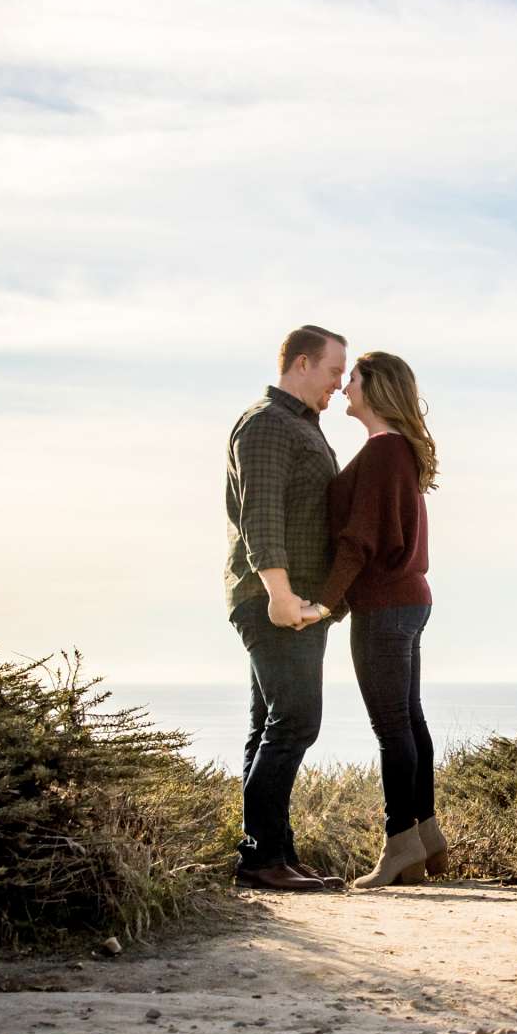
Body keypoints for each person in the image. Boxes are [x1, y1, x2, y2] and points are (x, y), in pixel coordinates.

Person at [312, 350, 443, 889]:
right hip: (408, 599)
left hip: (387, 606)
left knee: (393, 729)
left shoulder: (385, 451)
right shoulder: (396, 451)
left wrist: (323, 605)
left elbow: (358, 542)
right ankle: (427, 839)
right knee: (409, 721)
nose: (345, 386)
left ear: (377, 388)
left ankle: (398, 849)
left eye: (355, 379)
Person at [223, 324, 347, 891]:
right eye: (333, 371)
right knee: (296, 720)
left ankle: (272, 855)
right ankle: (260, 860)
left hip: (292, 599)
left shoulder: (301, 427)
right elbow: (261, 514)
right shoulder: (268, 424)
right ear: (301, 364)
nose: (339, 385)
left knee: (269, 726)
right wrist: (279, 593)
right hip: (277, 599)